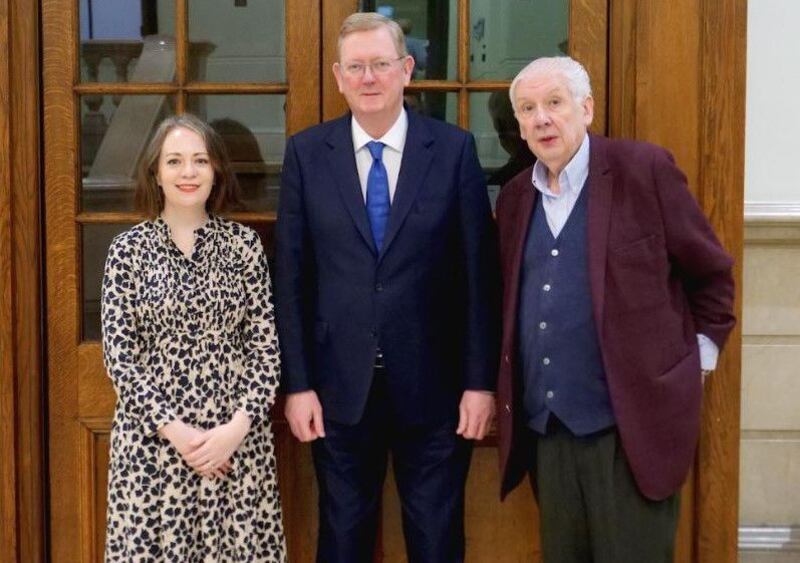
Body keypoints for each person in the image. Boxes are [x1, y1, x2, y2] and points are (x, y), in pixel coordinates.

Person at [275, 12, 499, 563]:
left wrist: (479, 383)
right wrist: (298, 384)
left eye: (380, 65)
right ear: (337, 75)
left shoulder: (452, 151)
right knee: (344, 537)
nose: (368, 77)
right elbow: (293, 278)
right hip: (337, 391)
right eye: (356, 67)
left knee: (436, 539)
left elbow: (479, 277)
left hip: (436, 389)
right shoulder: (307, 155)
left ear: (406, 70)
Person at [494, 56, 736, 562]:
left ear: (587, 108)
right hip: (549, 430)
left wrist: (695, 365)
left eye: (554, 103)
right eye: (527, 108)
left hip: (632, 430)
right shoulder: (516, 197)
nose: (541, 119)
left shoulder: (642, 170)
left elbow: (710, 275)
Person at [101, 113, 286, 562]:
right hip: (153, 447)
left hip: (235, 446)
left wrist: (235, 429)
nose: (188, 172)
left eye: (200, 160)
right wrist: (179, 433)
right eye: (175, 161)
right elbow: (120, 358)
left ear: (216, 170)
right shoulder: (127, 251)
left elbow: (266, 350)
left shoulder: (244, 247)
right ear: (155, 173)